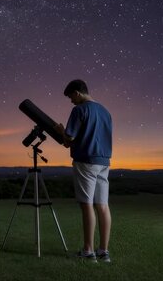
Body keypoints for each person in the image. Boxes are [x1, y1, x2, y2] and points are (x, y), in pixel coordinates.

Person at [54, 79, 112, 263]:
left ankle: (88, 251)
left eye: (71, 97)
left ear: (77, 93)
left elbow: (69, 139)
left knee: (86, 204)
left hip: (85, 161)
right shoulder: (105, 111)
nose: (71, 101)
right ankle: (103, 251)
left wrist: (61, 130)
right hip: (104, 162)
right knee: (102, 205)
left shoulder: (79, 110)